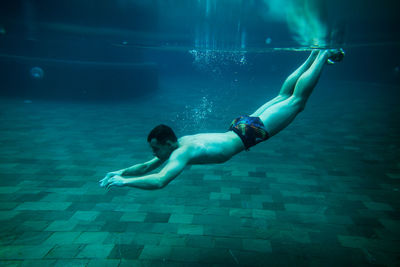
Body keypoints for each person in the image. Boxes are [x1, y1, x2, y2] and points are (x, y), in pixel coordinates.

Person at [100, 49, 344, 190]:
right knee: (283, 95)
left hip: (246, 133)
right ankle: (314, 53)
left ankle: (322, 54)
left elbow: (160, 180)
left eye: (156, 148)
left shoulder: (180, 154)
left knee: (296, 102)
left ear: (167, 143)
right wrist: (119, 172)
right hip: (239, 128)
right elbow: (145, 167)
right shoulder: (180, 142)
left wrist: (124, 183)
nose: (154, 153)